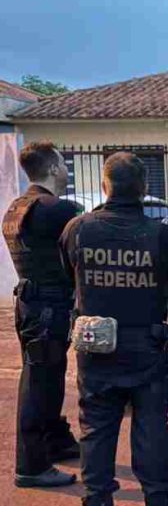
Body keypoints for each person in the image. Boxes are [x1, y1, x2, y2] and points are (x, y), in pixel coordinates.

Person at [59, 152, 168, 506]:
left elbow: (69, 274)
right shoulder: (162, 235)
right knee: (151, 429)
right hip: (146, 348)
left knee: (96, 431)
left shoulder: (78, 229)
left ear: (105, 185)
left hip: (95, 348)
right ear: (144, 188)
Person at [4, 141, 80, 488]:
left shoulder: (16, 207)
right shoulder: (57, 210)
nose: (66, 169)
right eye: (63, 163)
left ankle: (55, 441)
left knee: (46, 378)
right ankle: (31, 466)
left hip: (29, 304)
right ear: (52, 169)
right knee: (39, 385)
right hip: (49, 307)